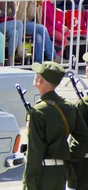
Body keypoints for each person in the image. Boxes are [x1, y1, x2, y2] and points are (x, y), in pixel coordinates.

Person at [23, 62, 88, 190]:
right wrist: (68, 157)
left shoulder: (38, 112)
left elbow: (34, 154)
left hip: (42, 174)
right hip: (61, 172)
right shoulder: (69, 106)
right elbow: (84, 138)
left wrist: (29, 184)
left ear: (40, 80)